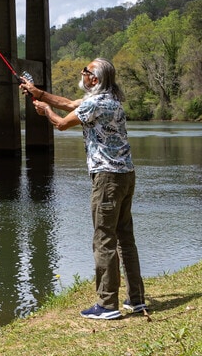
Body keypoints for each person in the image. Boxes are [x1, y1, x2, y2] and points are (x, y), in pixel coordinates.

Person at [20, 58, 147, 320]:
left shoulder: (95, 103)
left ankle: (107, 304)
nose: (82, 73)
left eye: (86, 71)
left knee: (104, 238)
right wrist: (38, 92)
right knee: (125, 238)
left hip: (107, 179)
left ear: (95, 79)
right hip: (126, 175)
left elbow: (62, 122)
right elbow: (69, 104)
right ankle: (136, 299)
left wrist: (45, 111)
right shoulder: (110, 99)